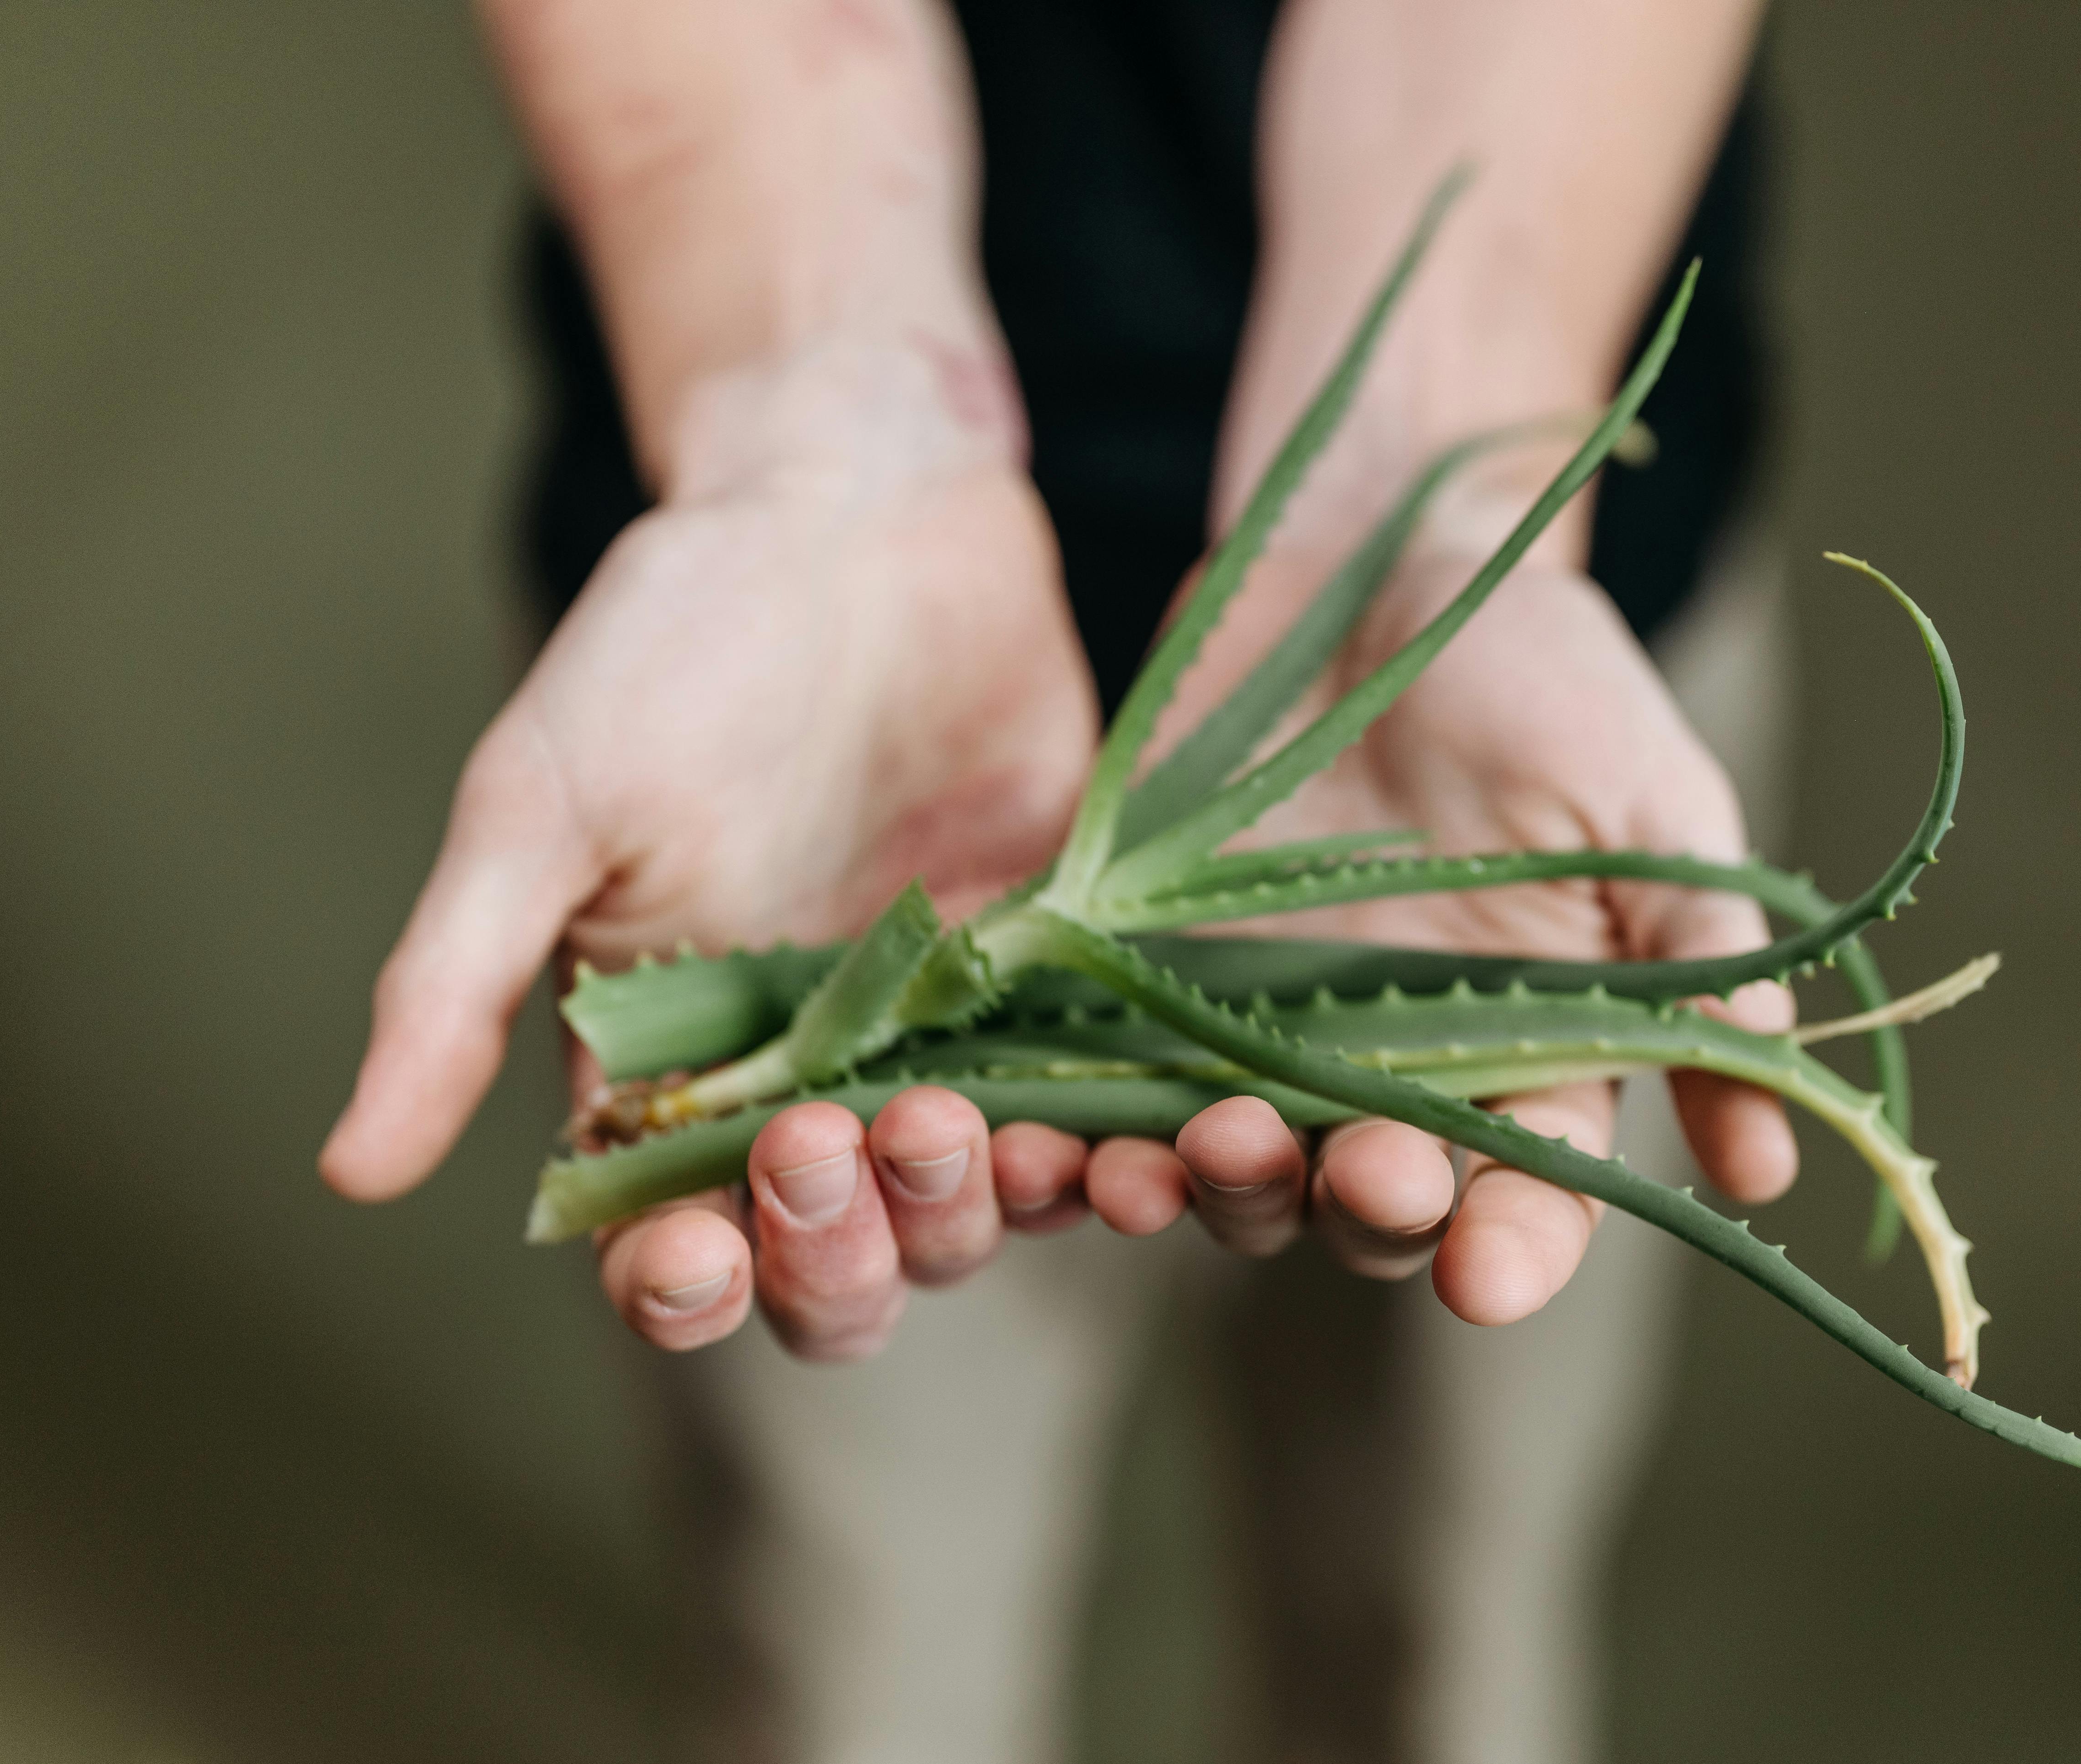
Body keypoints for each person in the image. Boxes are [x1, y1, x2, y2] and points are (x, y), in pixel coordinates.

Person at [321, 2, 1787, 1756]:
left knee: (1435, 1639)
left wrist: (1441, 466)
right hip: (788, 707)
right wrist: (808, 407)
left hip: (1478, 707)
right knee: (843, 1655)